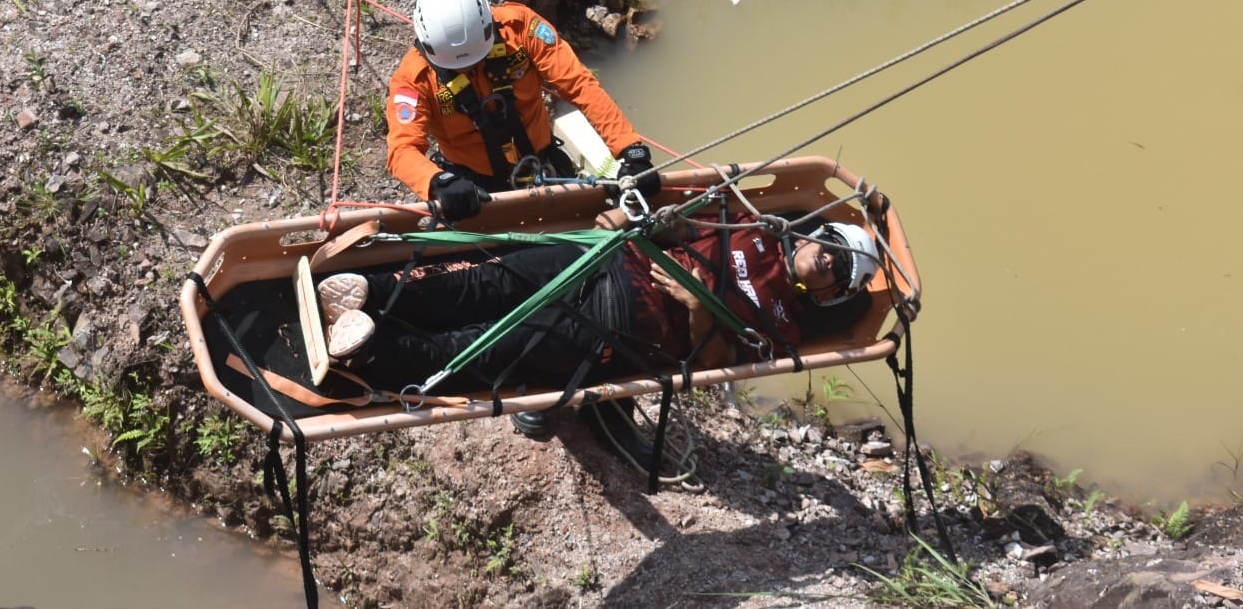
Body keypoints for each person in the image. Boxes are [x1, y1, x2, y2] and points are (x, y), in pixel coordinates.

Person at [314, 210, 881, 398]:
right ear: (814, 234)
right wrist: (651, 222)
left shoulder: (785, 326)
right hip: (612, 258)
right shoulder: (751, 226)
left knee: (489, 345)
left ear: (835, 294)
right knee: (488, 283)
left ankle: (371, 354)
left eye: (841, 271)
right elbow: (683, 224)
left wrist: (698, 306)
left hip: (623, 326)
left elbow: (716, 367)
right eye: (831, 246)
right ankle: (376, 294)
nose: (829, 259)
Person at [386, 0, 658, 224]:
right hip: (475, 189)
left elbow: (578, 84)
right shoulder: (414, 79)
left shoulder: (521, 28)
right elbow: (402, 150)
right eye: (458, 67)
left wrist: (630, 150)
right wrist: (438, 181)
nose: (468, 69)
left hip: (545, 165)